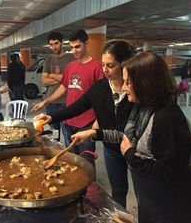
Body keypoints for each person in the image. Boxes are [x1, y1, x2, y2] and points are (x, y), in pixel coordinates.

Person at [75, 52, 191, 223]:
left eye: (128, 82)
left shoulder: (166, 118)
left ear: (145, 83)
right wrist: (96, 133)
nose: (124, 88)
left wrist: (130, 156)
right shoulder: (144, 106)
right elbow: (127, 136)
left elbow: (170, 171)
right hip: (151, 192)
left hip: (172, 201)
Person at [32, 40, 135, 208]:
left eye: (111, 65)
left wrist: (94, 132)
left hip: (135, 149)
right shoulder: (100, 87)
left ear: (125, 64)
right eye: (103, 65)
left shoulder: (135, 90)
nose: (105, 70)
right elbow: (77, 106)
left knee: (143, 194)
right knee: (118, 191)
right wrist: (51, 117)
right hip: (111, 149)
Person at [31, 29, 104, 168]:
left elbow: (102, 98)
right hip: (69, 121)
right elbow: (63, 88)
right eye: (71, 47)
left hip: (86, 123)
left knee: (87, 160)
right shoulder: (71, 66)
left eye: (77, 46)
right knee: (72, 158)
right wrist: (46, 101)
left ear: (86, 43)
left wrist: (97, 121)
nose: (74, 50)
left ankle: (89, 190)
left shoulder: (97, 67)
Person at [40, 31, 75, 141]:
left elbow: (71, 79)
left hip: (66, 103)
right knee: (53, 138)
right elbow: (44, 81)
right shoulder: (49, 60)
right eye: (51, 44)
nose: (54, 47)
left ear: (62, 42)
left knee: (68, 136)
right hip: (51, 103)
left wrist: (51, 75)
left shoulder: (71, 58)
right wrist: (62, 78)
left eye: (56, 43)